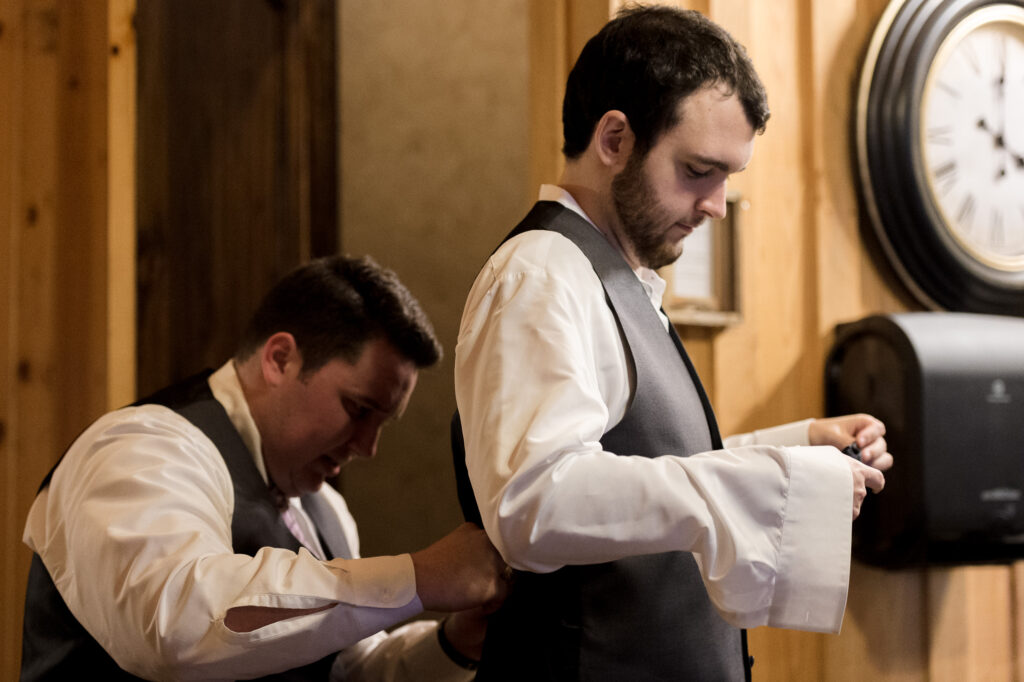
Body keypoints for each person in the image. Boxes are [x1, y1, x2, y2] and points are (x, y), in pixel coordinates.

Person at [452, 6, 893, 680]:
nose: (716, 204)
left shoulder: (615, 276)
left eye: (726, 178)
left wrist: (793, 449)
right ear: (615, 139)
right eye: (698, 170)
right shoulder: (541, 274)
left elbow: (642, 465)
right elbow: (533, 502)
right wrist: (759, 484)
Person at [22, 255, 507, 681]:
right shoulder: (141, 449)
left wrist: (456, 641)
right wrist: (417, 578)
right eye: (358, 409)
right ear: (280, 358)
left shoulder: (326, 511)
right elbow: (176, 627)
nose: (368, 447)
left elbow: (343, 671)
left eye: (383, 423)